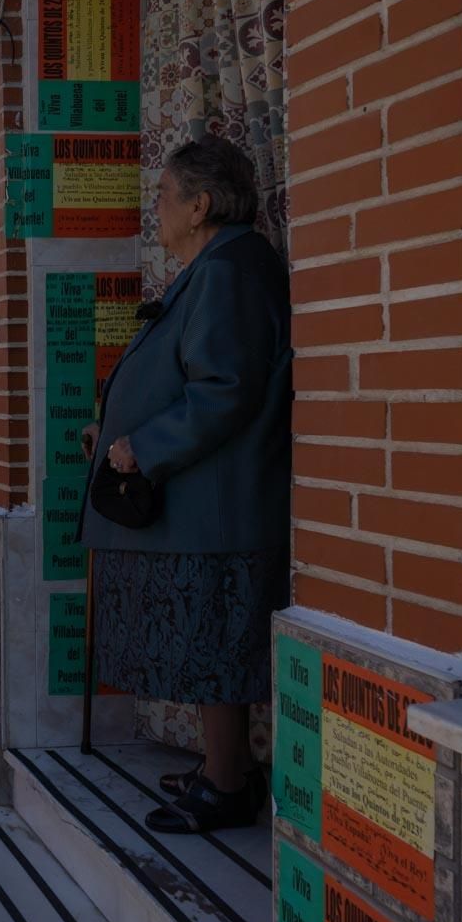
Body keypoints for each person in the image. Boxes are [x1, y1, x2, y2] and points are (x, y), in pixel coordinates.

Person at [79, 135, 291, 835]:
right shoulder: (215, 266)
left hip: (218, 510)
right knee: (206, 648)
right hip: (202, 507)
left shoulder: (230, 269)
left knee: (214, 646)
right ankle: (219, 769)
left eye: (164, 196)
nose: (155, 210)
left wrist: (145, 445)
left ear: (200, 205)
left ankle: (228, 785)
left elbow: (226, 389)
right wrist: (114, 432)